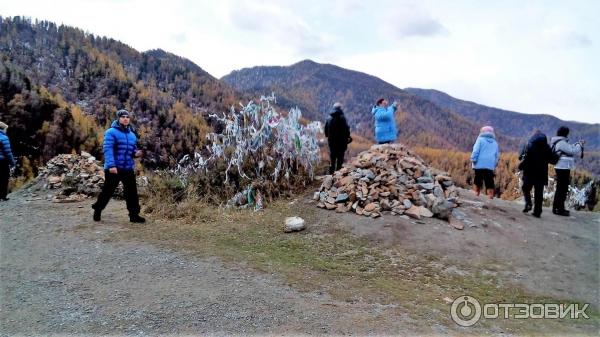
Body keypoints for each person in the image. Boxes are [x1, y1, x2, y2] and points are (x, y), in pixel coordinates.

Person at [92, 109, 145, 223]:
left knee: (132, 192)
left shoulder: (132, 135)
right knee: (108, 191)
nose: (125, 118)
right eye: (123, 117)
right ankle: (98, 208)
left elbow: (132, 151)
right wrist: (111, 165)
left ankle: (134, 215)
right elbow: (108, 149)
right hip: (114, 168)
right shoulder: (111, 132)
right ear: (118, 119)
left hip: (127, 168)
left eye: (127, 117)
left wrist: (136, 153)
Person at [550, 126, 584, 216]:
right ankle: (559, 209)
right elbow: (572, 150)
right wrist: (579, 145)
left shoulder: (560, 142)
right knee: (562, 189)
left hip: (561, 167)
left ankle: (556, 208)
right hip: (563, 168)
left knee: (561, 188)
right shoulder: (561, 142)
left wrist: (577, 144)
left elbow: (569, 148)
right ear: (565, 133)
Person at [519, 130, 552, 218]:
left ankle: (528, 203)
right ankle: (537, 212)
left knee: (526, 188)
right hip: (541, 173)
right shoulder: (547, 147)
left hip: (529, 171)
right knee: (539, 192)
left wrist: (522, 164)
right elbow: (553, 160)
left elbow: (522, 157)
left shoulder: (529, 145)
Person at [470, 126, 499, 199]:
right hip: (490, 164)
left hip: (479, 163)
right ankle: (490, 195)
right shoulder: (495, 143)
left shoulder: (480, 140)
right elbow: (496, 155)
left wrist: (473, 159)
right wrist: (495, 164)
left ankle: (476, 193)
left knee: (478, 179)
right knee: (489, 180)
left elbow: (476, 150)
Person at [324, 102, 351, 174]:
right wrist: (348, 137)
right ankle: (338, 174)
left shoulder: (328, 118)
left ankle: (331, 174)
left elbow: (326, 132)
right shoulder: (342, 118)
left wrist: (329, 136)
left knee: (332, 158)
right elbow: (346, 129)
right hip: (341, 143)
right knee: (340, 159)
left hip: (331, 142)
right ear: (340, 108)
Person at [0, 121, 16, 201]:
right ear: (2, 129)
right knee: (4, 178)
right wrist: (13, 163)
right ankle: (3, 196)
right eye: (6, 129)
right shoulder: (4, 138)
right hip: (2, 162)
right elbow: (8, 153)